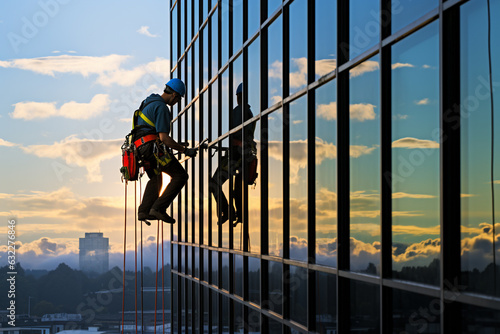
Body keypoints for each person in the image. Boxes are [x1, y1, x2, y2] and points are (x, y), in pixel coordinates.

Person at [133, 78, 197, 224]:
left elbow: (153, 133)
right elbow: (164, 138)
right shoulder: (162, 108)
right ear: (174, 95)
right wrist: (185, 150)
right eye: (179, 99)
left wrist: (176, 144)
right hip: (152, 149)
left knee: (156, 178)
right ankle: (159, 209)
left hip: (141, 149)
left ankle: (144, 211)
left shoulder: (149, 102)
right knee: (180, 176)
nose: (177, 102)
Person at [210, 83, 255, 226]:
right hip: (244, 156)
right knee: (237, 189)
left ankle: (227, 211)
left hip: (236, 156)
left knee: (214, 183)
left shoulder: (239, 111)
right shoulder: (249, 113)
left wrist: (231, 143)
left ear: (239, 96)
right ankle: (237, 213)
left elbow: (236, 134)